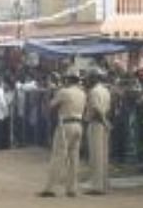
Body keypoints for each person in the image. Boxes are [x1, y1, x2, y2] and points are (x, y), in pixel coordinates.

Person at [39, 70, 86, 198]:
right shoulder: (82, 93)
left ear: (68, 80)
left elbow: (50, 106)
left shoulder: (64, 92)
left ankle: (50, 188)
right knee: (74, 158)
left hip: (66, 125)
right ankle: (71, 188)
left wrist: (50, 93)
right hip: (78, 125)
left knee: (58, 156)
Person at [84, 70, 111, 196]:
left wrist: (104, 121)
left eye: (89, 78)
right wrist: (107, 122)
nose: (87, 81)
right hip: (104, 123)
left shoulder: (94, 91)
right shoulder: (105, 90)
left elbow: (96, 109)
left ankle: (97, 186)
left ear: (94, 79)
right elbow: (109, 108)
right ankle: (104, 184)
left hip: (96, 123)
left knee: (96, 156)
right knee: (104, 155)